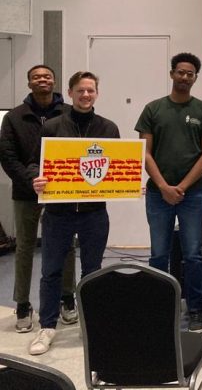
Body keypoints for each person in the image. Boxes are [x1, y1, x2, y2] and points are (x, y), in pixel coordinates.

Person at [28, 71, 120, 355]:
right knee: (51, 271)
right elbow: (34, 163)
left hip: (94, 213)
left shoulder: (108, 128)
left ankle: (92, 325)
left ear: (97, 94)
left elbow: (116, 166)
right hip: (58, 213)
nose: (85, 95)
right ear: (70, 93)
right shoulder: (53, 127)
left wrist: (127, 183)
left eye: (91, 91)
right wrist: (35, 177)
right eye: (80, 91)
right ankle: (47, 326)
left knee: (93, 271)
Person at [135, 52, 202, 333]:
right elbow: (144, 153)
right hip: (158, 194)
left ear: (195, 78)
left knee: (193, 255)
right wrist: (163, 187)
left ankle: (195, 309)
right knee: (158, 254)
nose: (185, 77)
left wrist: (181, 187)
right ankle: (160, 306)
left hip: (192, 195)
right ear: (172, 73)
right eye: (181, 72)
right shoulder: (152, 109)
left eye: (190, 74)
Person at [0, 65, 77, 333]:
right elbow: (7, 156)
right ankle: (23, 304)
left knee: (66, 246)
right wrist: (30, 182)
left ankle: (67, 298)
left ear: (54, 81)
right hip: (25, 192)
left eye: (46, 76)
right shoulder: (14, 117)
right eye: (36, 76)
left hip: (63, 194)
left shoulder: (69, 113)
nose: (42, 79)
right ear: (29, 82)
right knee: (24, 247)